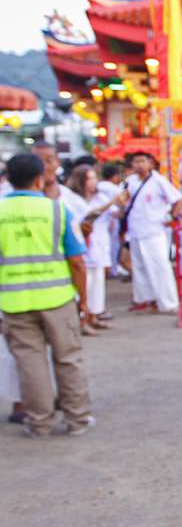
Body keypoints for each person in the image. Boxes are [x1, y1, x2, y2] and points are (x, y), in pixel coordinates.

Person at [0, 153, 93, 437]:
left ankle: (40, 422)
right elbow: (77, 261)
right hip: (58, 299)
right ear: (40, 178)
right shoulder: (57, 211)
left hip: (14, 301)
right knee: (68, 359)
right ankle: (77, 419)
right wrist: (84, 301)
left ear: (8, 180)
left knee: (30, 363)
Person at [121, 152, 182, 313]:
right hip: (135, 230)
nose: (139, 165)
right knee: (139, 267)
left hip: (154, 231)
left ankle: (169, 303)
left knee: (160, 267)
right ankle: (145, 300)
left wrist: (171, 217)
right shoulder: (129, 182)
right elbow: (123, 202)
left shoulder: (159, 181)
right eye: (136, 161)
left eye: (142, 161)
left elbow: (178, 200)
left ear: (150, 163)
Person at [65, 164, 125, 334]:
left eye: (94, 178)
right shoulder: (73, 199)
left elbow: (115, 213)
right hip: (82, 246)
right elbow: (88, 217)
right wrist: (111, 202)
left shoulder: (100, 197)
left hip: (100, 245)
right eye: (90, 178)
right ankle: (82, 320)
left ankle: (93, 316)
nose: (94, 182)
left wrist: (120, 203)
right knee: (84, 285)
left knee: (98, 284)